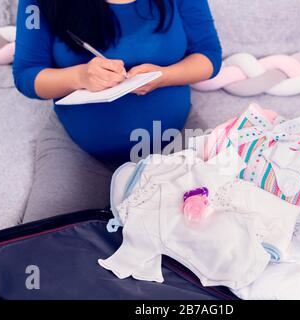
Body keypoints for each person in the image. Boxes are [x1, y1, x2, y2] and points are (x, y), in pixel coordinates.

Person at [13, 0, 222, 222]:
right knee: (43, 245)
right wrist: (80, 77)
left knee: (219, 233)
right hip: (78, 151)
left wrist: (164, 76)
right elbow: (26, 74)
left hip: (176, 140)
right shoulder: (36, 4)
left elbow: (209, 55)